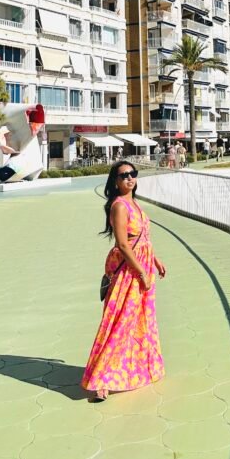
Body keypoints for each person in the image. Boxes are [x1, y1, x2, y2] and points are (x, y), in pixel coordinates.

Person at [82, 160, 166, 402]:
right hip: (130, 272)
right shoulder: (119, 206)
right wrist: (141, 273)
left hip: (142, 266)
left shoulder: (134, 203)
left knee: (140, 321)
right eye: (124, 175)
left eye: (133, 173)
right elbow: (122, 244)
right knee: (119, 321)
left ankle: (136, 370)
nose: (129, 178)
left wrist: (155, 260)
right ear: (115, 181)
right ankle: (101, 381)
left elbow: (142, 238)